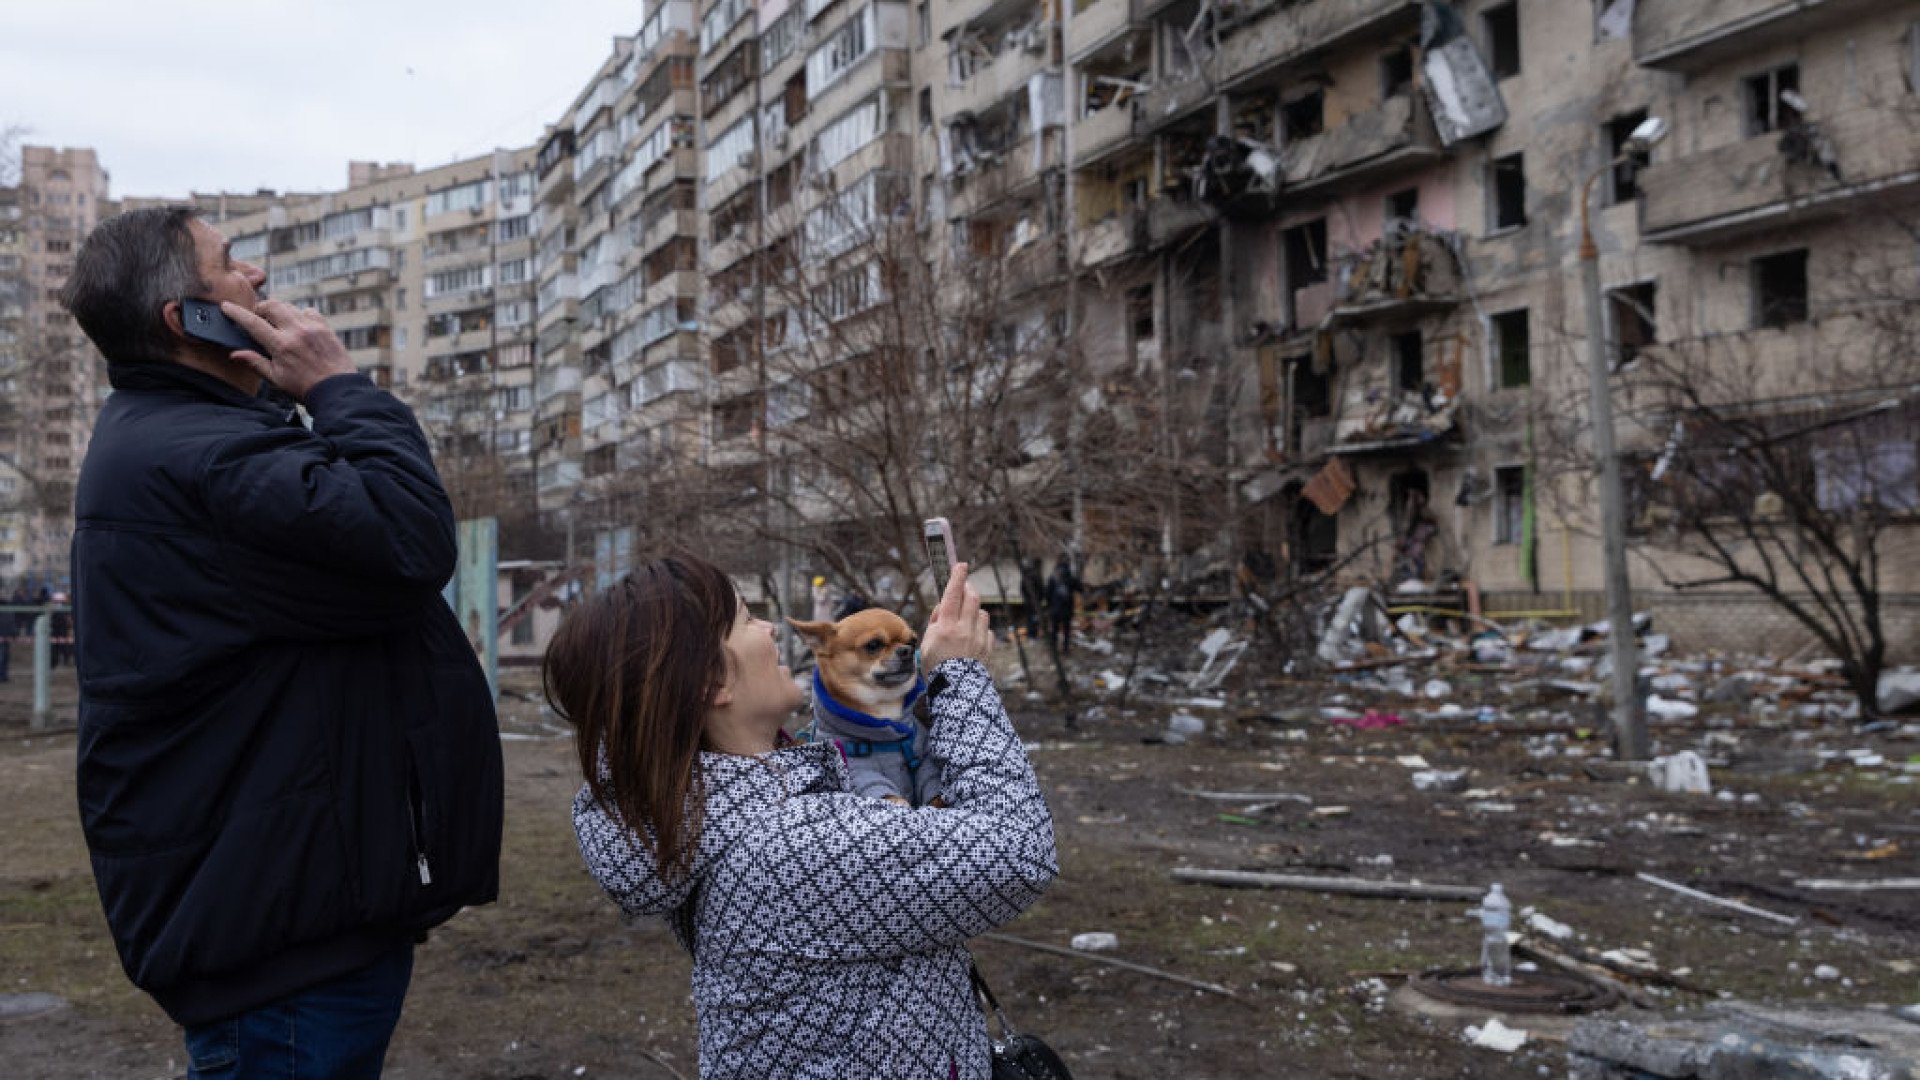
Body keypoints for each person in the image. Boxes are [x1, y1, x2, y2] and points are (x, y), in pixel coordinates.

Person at [61, 206, 503, 1079]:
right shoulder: (206, 458)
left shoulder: (187, 437)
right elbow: (410, 542)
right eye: (231, 266)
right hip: (278, 936)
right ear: (185, 319)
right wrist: (338, 387)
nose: (258, 280)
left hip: (279, 906)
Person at [547, 554, 1057, 1079]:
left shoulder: (726, 816)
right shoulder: (785, 845)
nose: (770, 628)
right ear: (712, 682)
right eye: (747, 618)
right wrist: (959, 677)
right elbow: (1017, 850)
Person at [1045, 558, 1080, 656]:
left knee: (1054, 630)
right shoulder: (1071, 579)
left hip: (1055, 609)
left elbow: (1047, 593)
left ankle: (1053, 650)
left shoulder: (1052, 578)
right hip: (1067, 610)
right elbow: (1080, 588)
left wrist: (1049, 605)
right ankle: (1065, 649)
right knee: (1066, 630)